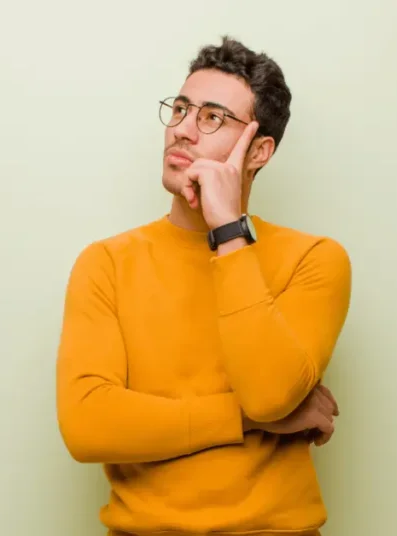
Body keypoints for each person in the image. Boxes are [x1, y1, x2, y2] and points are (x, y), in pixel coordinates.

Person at [55, 36, 353, 536]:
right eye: (180, 109)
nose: (183, 130)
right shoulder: (105, 262)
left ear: (258, 151)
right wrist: (248, 421)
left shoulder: (314, 259)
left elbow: (269, 396)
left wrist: (229, 233)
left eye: (212, 117)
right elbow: (87, 426)